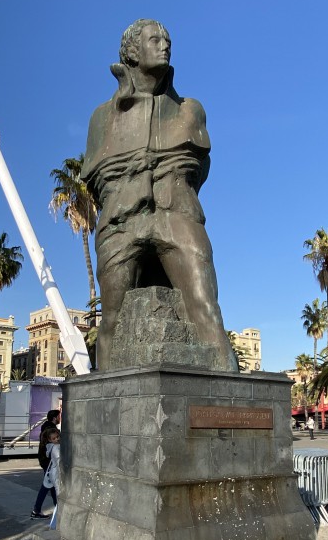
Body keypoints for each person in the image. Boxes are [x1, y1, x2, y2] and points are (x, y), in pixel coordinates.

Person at [81, 19, 237, 373]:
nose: (165, 45)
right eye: (156, 40)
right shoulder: (101, 118)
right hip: (121, 222)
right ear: (133, 51)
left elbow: (199, 169)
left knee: (205, 306)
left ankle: (228, 404)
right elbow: (94, 180)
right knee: (111, 323)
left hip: (176, 212)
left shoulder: (189, 109)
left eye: (168, 40)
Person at [31, 428, 60, 519]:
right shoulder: (55, 447)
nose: (57, 439)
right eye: (54, 438)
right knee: (55, 491)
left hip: (50, 472)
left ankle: (37, 510)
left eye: (57, 437)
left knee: (47, 491)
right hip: (54, 473)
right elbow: (59, 460)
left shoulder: (50, 447)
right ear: (49, 440)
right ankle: (57, 509)